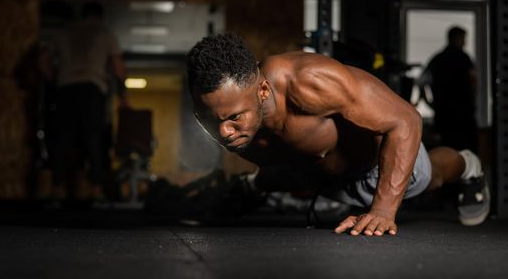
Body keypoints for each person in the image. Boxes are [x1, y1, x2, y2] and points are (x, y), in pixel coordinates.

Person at [186, 33, 490, 236]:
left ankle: (469, 167)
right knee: (279, 171)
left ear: (263, 90)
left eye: (234, 118)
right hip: (313, 169)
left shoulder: (310, 81)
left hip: (371, 171)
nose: (223, 132)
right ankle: (249, 189)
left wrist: (382, 210)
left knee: (431, 176)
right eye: (209, 120)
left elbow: (406, 120)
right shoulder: (225, 108)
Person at [49, 1, 128, 202]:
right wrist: (123, 98)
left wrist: (54, 80)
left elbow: (43, 60)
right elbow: (118, 68)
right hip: (91, 88)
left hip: (65, 88)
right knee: (93, 138)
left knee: (62, 139)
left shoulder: (64, 32)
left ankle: (56, 189)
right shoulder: (104, 32)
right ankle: (95, 189)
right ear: (100, 16)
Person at [420, 26, 478, 152]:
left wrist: (429, 103)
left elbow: (422, 82)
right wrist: (473, 102)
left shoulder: (437, 59)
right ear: (455, 38)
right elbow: (473, 80)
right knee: (465, 152)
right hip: (463, 114)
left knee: (445, 150)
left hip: (443, 114)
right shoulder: (464, 58)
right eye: (463, 38)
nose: (464, 42)